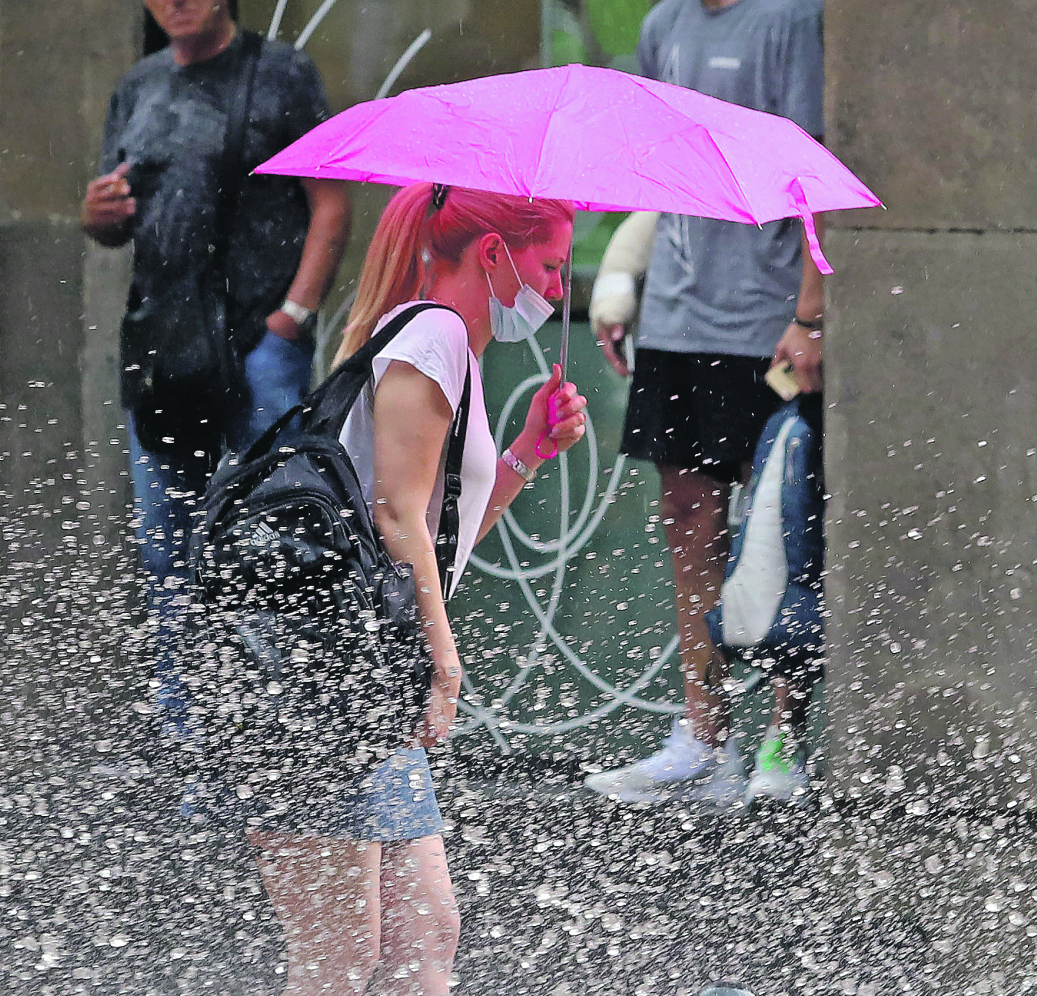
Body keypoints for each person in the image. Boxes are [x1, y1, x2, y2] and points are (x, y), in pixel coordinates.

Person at [248, 183, 586, 995]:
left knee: (422, 941)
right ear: (494, 254)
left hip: (362, 684)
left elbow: (438, 527)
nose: (554, 290)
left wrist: (526, 453)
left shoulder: (446, 350)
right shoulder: (430, 336)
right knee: (338, 959)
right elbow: (396, 511)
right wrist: (442, 657)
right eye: (549, 265)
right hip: (322, 682)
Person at [82, 0, 350, 745]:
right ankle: (190, 747)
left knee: (272, 546)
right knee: (168, 555)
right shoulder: (136, 86)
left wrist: (290, 318)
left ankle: (278, 743)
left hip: (258, 347)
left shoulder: (280, 74)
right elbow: (110, 222)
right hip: (163, 351)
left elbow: (329, 203)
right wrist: (98, 214)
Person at [584, 0, 827, 806]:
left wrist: (808, 316)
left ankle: (781, 746)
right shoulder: (662, 26)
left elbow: (814, 174)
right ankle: (701, 735)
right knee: (688, 517)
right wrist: (622, 279)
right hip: (678, 318)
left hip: (766, 325)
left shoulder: (791, 18)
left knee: (784, 532)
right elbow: (664, 175)